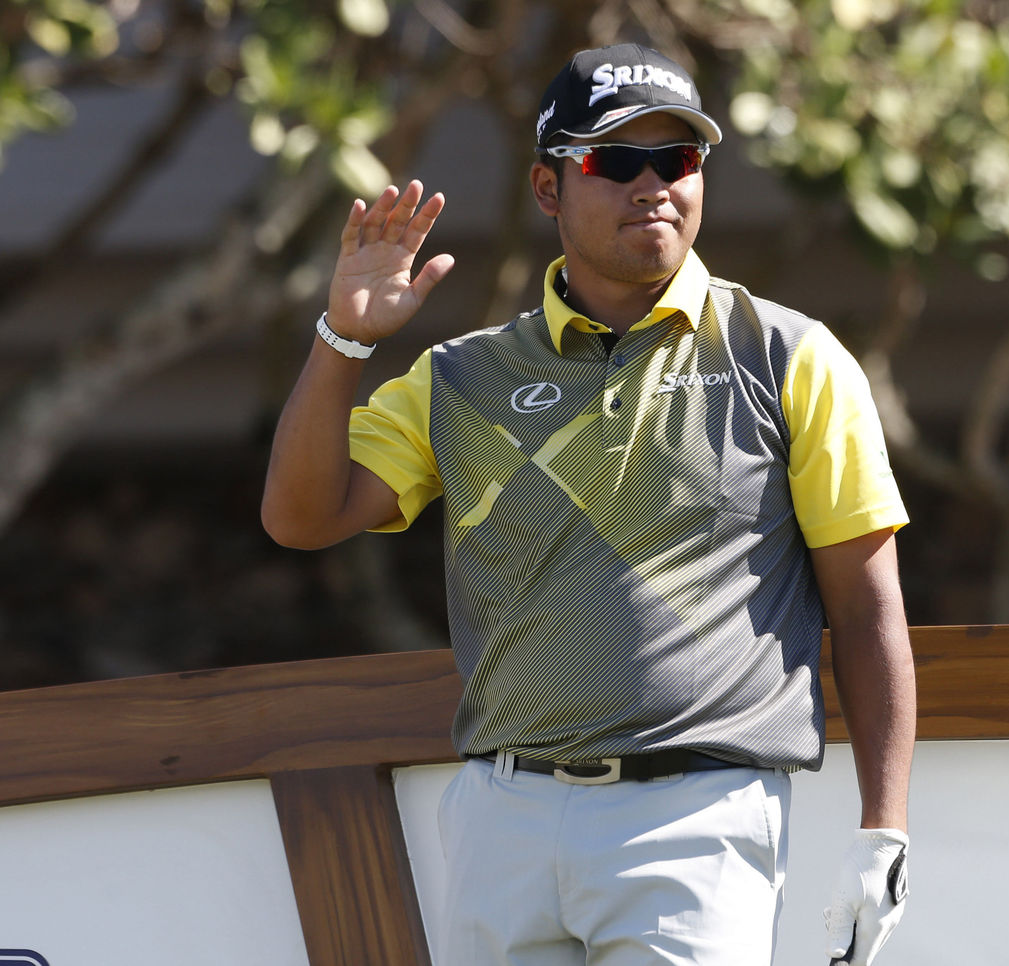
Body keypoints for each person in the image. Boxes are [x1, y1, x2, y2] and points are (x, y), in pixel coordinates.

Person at [262, 41, 916, 966]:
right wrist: (343, 339)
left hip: (698, 814)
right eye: (616, 161)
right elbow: (300, 517)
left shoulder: (789, 356)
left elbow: (868, 607)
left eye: (677, 159)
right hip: (502, 818)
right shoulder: (461, 378)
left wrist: (883, 828)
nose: (654, 186)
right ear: (548, 187)